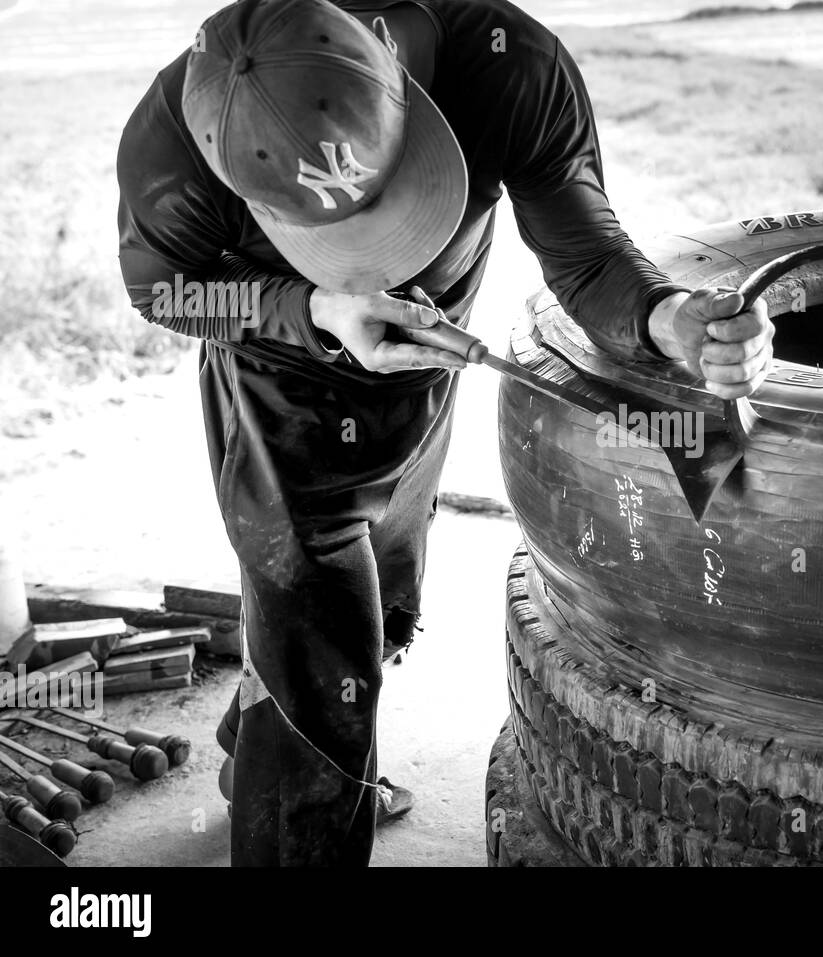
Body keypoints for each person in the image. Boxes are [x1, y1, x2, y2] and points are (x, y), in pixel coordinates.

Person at [116, 0, 773, 866]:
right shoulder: (175, 139)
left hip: (423, 366)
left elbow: (587, 255)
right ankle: (297, 795)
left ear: (395, 61)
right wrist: (310, 306)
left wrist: (668, 316)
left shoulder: (506, 65)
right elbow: (165, 289)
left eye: (392, 206)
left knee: (379, 611)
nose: (374, 250)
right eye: (336, 233)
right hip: (280, 384)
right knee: (322, 668)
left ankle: (262, 739)